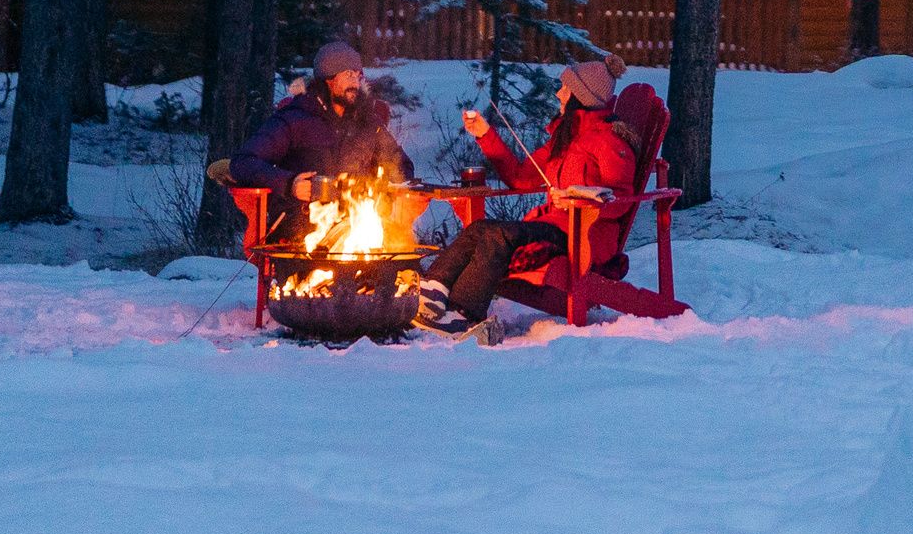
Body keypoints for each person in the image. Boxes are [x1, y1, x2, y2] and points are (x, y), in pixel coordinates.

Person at [419, 56, 669, 329]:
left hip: (583, 236)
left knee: (500, 236)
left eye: (565, 88)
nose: (558, 93)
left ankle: (464, 313)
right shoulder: (565, 137)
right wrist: (486, 135)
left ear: (580, 96)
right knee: (481, 228)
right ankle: (433, 288)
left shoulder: (609, 140)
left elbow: (619, 198)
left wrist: (579, 199)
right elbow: (520, 177)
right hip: (552, 227)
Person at [229, 43, 413, 243]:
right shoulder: (295, 120)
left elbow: (402, 165)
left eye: (358, 75)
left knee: (396, 253)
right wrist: (290, 184)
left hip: (360, 226)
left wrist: (382, 187)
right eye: (347, 74)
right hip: (304, 230)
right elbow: (242, 162)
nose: (356, 82)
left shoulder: (367, 122)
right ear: (328, 80)